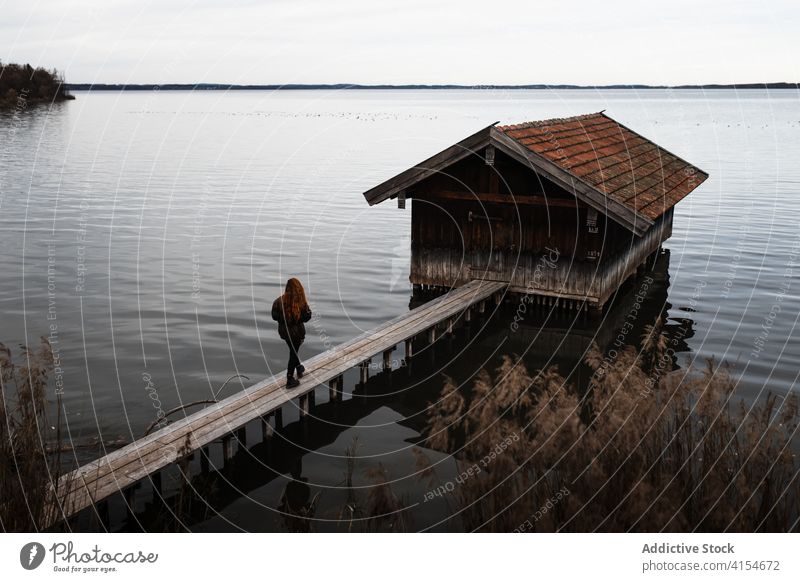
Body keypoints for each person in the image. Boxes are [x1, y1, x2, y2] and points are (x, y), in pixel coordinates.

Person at [271, 277, 312, 388]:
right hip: (297, 333)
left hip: (284, 332)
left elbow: (274, 316)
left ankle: (298, 367)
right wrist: (297, 319)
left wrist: (284, 319)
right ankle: (290, 379)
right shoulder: (301, 302)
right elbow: (307, 316)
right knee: (293, 353)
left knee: (293, 350)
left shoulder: (278, 301)